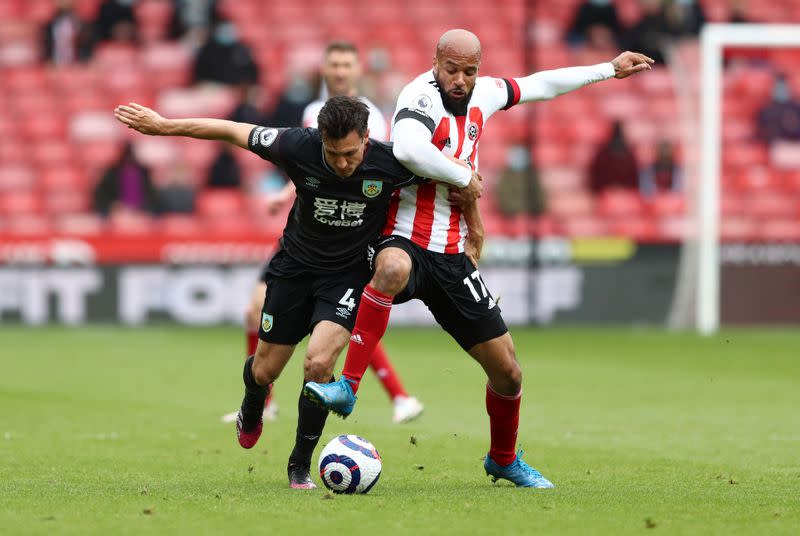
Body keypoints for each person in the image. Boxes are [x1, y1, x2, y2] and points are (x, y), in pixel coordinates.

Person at [304, 29, 653, 489]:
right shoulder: (418, 97)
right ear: (436, 63)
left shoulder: (484, 95)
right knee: (390, 269)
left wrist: (608, 68)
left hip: (452, 253)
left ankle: (503, 459)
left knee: (507, 371)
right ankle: (348, 387)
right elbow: (409, 149)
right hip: (403, 236)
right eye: (452, 70)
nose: (460, 80)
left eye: (470, 71)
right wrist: (465, 177)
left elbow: (541, 84)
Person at [113, 96, 481, 489]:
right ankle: (252, 406)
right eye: (333, 153)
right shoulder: (296, 145)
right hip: (294, 272)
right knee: (264, 369)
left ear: (368, 138)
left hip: (347, 278)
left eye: (351, 153)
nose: (342, 163)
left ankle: (299, 465)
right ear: (319, 138)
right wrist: (164, 124)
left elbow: (458, 177)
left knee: (319, 366)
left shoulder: (392, 161)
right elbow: (230, 130)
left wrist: (475, 225)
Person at [254, 41, 424, 425]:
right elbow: (312, 170)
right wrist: (285, 194)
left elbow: (370, 170)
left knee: (335, 329)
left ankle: (397, 396)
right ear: (325, 69)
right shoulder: (315, 112)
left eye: (347, 64)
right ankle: (262, 398)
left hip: (351, 238)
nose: (340, 71)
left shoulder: (373, 119)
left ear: (357, 68)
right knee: (277, 317)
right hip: (308, 227)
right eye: (334, 64)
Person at [93, 142, 158, 216]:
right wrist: (113, 206)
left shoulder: (143, 173)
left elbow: (151, 196)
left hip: (142, 211)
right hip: (117, 212)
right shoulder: (111, 174)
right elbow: (103, 198)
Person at [587, 120, 639, 194]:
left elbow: (634, 179)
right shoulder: (602, 155)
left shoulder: (630, 155)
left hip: (625, 192)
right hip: (604, 192)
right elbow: (597, 177)